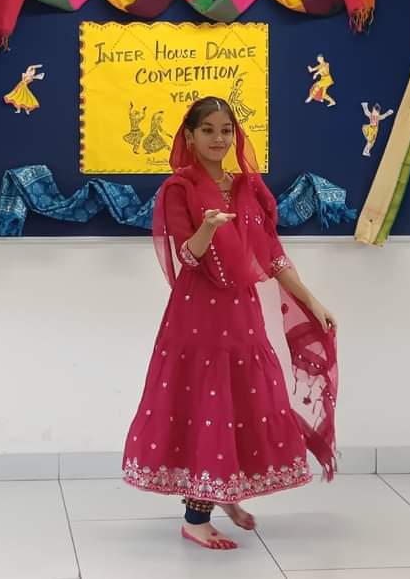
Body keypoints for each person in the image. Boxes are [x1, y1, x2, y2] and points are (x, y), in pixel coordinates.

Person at [121, 96, 339, 551]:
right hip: (197, 314)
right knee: (204, 400)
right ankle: (196, 518)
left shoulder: (247, 188)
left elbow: (272, 256)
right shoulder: (179, 189)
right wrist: (208, 226)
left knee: (241, 397)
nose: (218, 139)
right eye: (208, 130)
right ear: (190, 136)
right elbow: (187, 257)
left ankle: (223, 488)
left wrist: (312, 300)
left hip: (240, 311)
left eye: (226, 131)